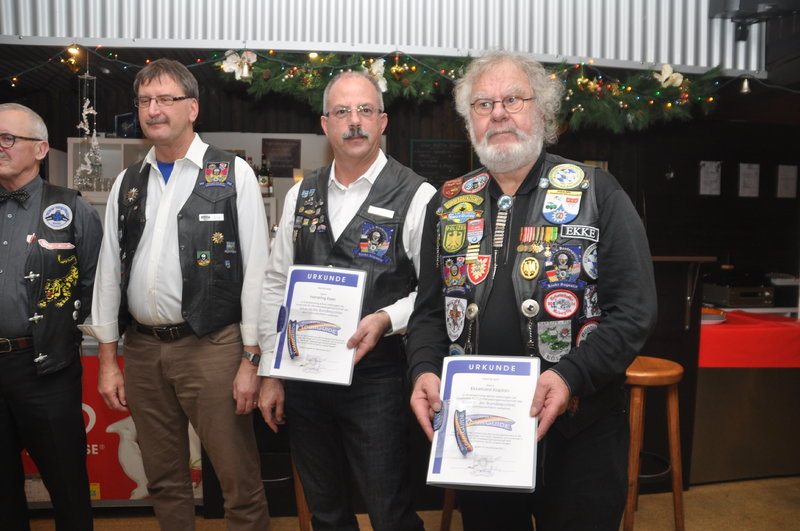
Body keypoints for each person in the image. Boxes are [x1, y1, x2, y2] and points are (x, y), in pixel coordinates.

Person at [407, 51, 657, 530]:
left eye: (513, 100)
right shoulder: (449, 202)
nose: (498, 113)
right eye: (483, 104)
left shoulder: (597, 192)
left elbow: (634, 313)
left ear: (542, 111)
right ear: (469, 121)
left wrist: (569, 376)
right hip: (482, 429)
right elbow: (429, 313)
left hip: (579, 430)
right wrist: (422, 369)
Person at [81, 59, 270, 530]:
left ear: (192, 108)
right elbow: (109, 271)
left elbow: (258, 272)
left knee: (237, 479)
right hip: (143, 350)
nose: (154, 110)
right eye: (145, 101)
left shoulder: (232, 174)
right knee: (163, 479)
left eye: (166, 99)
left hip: (213, 347)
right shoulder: (128, 181)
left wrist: (251, 358)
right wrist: (109, 358)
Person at [257, 70, 436, 530]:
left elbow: (434, 293)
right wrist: (271, 373)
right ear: (325, 124)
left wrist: (386, 317)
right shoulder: (301, 194)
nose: (354, 121)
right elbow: (276, 283)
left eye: (364, 111)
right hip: (306, 374)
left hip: (377, 377)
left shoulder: (418, 195)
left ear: (382, 121)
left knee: (389, 510)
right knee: (326, 512)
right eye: (342, 112)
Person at [0, 103, 102, 530]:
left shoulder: (73, 209)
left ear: (41, 149)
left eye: (8, 138)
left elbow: (95, 284)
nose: (0, 146)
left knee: (67, 487)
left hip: (46, 369)